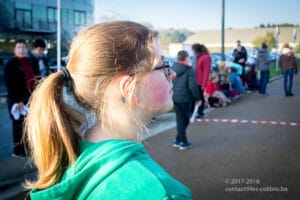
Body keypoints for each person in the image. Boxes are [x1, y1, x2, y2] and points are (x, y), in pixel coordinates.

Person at [25, 21, 192, 199]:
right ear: (130, 88)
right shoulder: (162, 193)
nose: (172, 73)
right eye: (163, 64)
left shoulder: (73, 159)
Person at [4, 39, 35, 157]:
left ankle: (26, 148)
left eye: (23, 47)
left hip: (26, 98)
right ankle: (17, 151)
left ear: (27, 50)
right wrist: (17, 101)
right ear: (14, 50)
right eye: (19, 47)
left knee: (27, 125)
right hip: (16, 100)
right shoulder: (11, 64)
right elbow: (10, 85)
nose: (21, 50)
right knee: (18, 126)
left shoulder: (28, 62)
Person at [172, 50, 201, 150]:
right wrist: (197, 99)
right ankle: (183, 141)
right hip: (185, 98)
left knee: (180, 120)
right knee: (185, 120)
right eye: (188, 57)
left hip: (175, 97)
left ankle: (178, 139)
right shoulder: (189, 69)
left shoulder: (173, 68)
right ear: (185, 58)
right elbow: (192, 86)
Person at [192, 43, 211, 118]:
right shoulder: (198, 57)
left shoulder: (205, 57)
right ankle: (197, 112)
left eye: (193, 50)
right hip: (196, 80)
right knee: (197, 97)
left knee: (200, 97)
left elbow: (206, 71)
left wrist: (204, 84)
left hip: (200, 81)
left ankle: (201, 113)